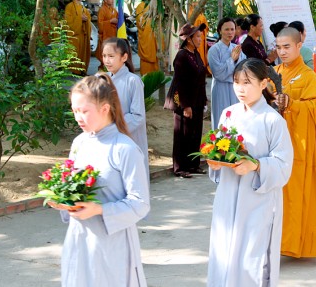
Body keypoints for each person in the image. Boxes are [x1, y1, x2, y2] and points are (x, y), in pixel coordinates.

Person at [207, 58, 293, 287]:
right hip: (227, 196)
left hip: (257, 201)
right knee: (224, 250)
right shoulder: (228, 114)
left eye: (247, 82)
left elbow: (284, 165)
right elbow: (219, 148)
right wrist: (216, 163)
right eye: (236, 82)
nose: (240, 89)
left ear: (264, 83)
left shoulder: (272, 120)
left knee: (251, 257)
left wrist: (256, 166)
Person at [63, 74, 150, 287]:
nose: (78, 117)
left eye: (84, 111)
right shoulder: (79, 143)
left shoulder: (125, 149)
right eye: (75, 111)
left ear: (105, 108)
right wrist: (63, 201)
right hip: (78, 239)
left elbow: (140, 203)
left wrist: (100, 209)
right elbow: (70, 187)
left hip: (113, 246)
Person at [274, 28, 316, 257]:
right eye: (278, 47)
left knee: (295, 195)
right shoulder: (273, 73)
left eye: (287, 47)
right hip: (274, 144)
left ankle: (295, 244)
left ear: (299, 46)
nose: (282, 52)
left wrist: (292, 104)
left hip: (298, 144)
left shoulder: (308, 76)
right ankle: (275, 244)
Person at [165, 23, 208, 178]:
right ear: (189, 39)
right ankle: (180, 167)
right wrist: (185, 106)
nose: (200, 39)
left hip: (197, 101)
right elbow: (180, 83)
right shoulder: (182, 56)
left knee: (195, 134)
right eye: (197, 36)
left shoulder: (195, 53)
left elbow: (201, 79)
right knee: (182, 135)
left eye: (200, 36)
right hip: (185, 103)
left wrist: (203, 101)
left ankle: (193, 165)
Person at [102, 37, 149, 177]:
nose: (106, 60)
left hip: (129, 140)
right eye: (104, 56)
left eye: (111, 56)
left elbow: (137, 116)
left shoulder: (133, 81)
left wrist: (113, 127)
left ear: (124, 57)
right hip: (107, 139)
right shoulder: (102, 80)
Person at [208, 17, 245, 129]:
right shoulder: (214, 50)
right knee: (221, 118)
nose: (230, 32)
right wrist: (232, 60)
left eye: (232, 29)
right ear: (220, 30)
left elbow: (243, 67)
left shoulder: (236, 48)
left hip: (235, 88)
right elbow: (218, 73)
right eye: (227, 29)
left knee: (236, 119)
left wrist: (234, 61)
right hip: (221, 88)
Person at [64, 0, 92, 74]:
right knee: (75, 52)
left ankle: (82, 70)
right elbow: (68, 21)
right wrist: (80, 18)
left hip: (83, 34)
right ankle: (75, 71)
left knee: (83, 52)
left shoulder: (83, 8)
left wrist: (86, 19)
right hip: (74, 35)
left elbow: (88, 19)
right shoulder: (69, 7)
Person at [135, 0, 160, 75]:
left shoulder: (157, 5)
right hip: (146, 37)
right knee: (146, 63)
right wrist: (151, 19)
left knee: (156, 59)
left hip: (155, 37)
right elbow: (141, 23)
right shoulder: (140, 6)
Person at [96, 0, 118, 67]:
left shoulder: (114, 10)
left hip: (113, 35)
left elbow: (118, 20)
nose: (112, 0)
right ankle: (104, 70)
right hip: (105, 36)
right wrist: (110, 21)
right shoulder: (102, 10)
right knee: (105, 56)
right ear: (105, 0)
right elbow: (100, 24)